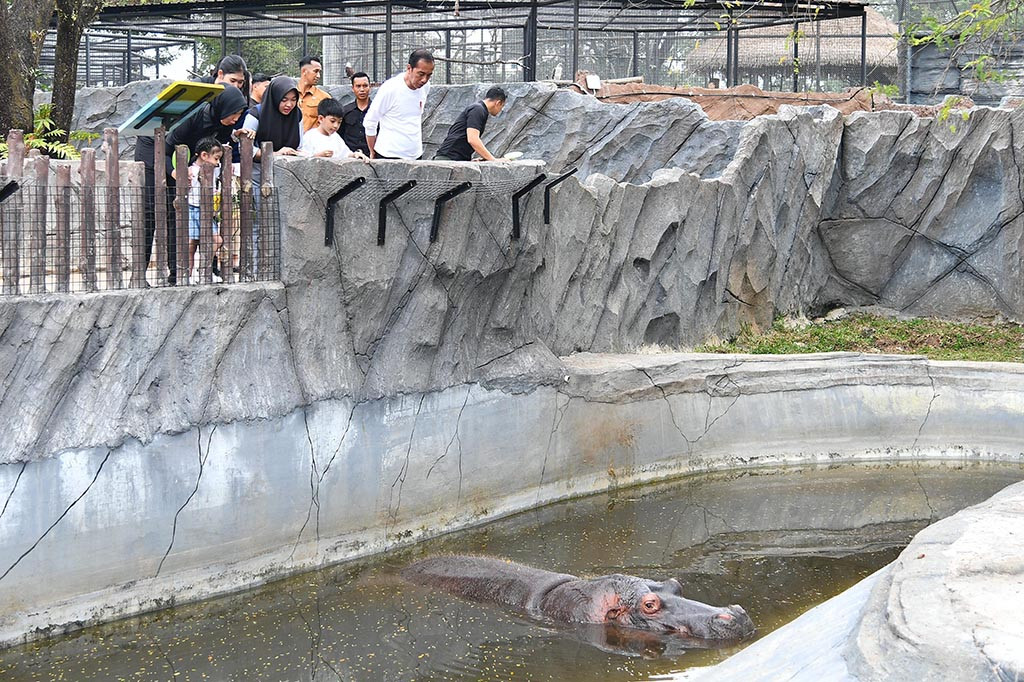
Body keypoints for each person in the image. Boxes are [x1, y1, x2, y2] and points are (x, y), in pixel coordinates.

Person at [135, 55, 248, 283]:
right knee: (153, 211)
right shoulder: (196, 112)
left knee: (178, 213)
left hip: (182, 155)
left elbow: (212, 150)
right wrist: (175, 172)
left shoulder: (223, 117)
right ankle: (139, 275)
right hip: (155, 148)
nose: (237, 119)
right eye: (234, 115)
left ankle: (178, 273)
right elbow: (166, 149)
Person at [363, 49, 434, 160]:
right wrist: (372, 152)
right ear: (409, 68)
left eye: (429, 75)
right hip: (389, 155)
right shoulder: (390, 88)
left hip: (415, 155)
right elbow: (370, 121)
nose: (424, 79)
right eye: (421, 74)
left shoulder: (425, 86)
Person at [181, 136, 225, 282]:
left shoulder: (215, 170)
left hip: (206, 211)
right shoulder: (192, 171)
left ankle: (204, 269)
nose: (218, 162)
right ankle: (188, 275)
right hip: (193, 209)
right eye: (216, 158)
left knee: (216, 240)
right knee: (191, 243)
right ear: (204, 155)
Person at [434, 87, 507, 161]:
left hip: (456, 159)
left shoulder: (480, 109)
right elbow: (473, 139)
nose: (501, 110)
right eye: (502, 106)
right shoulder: (478, 109)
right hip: (448, 159)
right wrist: (493, 160)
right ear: (498, 103)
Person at [299, 98, 368, 160]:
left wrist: (354, 155)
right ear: (321, 119)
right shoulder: (310, 136)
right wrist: (317, 156)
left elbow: (345, 154)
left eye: (339, 122)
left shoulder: (336, 137)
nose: (336, 126)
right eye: (332, 121)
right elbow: (302, 158)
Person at [339, 71, 372, 156]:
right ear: (353, 88)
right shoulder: (345, 111)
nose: (362, 89)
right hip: (349, 156)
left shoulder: (376, 111)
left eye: (365, 86)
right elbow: (339, 135)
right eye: (358, 86)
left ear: (370, 87)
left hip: (372, 156)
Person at [297, 55, 331, 132]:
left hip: (314, 142)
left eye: (319, 72)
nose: (318, 76)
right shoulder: (290, 95)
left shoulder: (324, 97)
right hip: (291, 141)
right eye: (315, 71)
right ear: (304, 71)